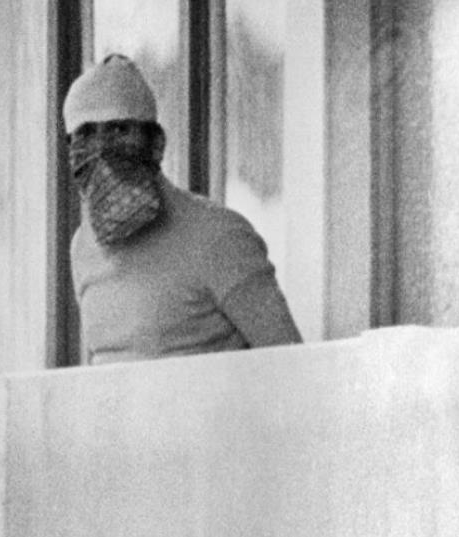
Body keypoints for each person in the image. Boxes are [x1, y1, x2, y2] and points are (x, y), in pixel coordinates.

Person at [63, 54, 302, 365]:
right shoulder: (83, 246)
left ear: (153, 140)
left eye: (119, 128)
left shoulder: (218, 235)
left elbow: (292, 366)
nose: (101, 147)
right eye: (85, 134)